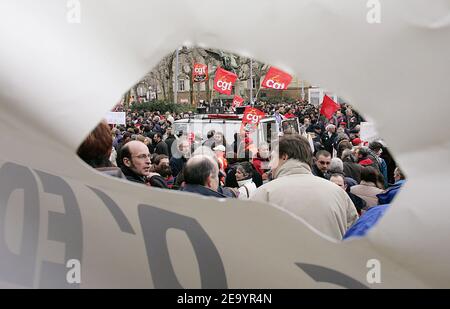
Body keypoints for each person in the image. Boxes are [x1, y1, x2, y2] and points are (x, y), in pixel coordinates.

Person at [251, 135, 359, 240]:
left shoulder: (265, 193)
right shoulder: (338, 193)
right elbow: (355, 235)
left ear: (284, 157)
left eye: (273, 158)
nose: (270, 165)